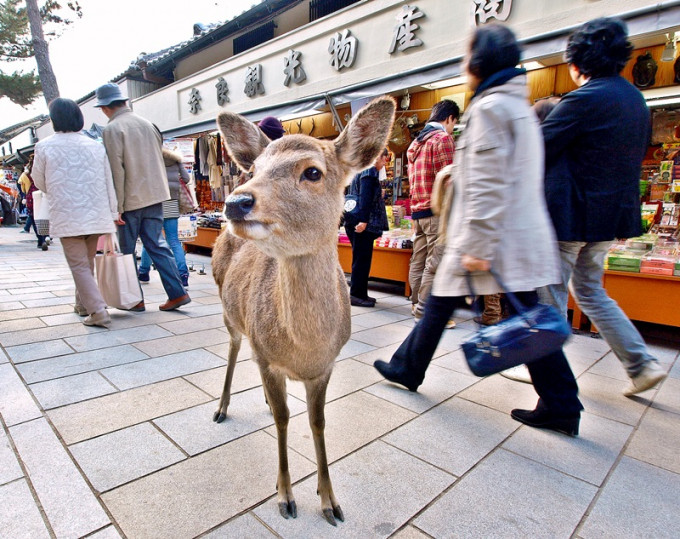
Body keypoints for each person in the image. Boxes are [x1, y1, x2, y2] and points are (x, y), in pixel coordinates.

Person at [374, 24, 583, 436]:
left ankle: (562, 403)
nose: (464, 63)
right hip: (514, 234)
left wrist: (478, 242)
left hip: (493, 237)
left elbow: (486, 183)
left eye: (468, 55)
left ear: (481, 62)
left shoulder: (489, 109)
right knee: (484, 308)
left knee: (519, 316)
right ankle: (407, 367)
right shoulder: (516, 104)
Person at [540, 17, 666, 397]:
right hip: (609, 220)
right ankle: (640, 363)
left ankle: (549, 375)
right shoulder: (635, 101)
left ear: (578, 62)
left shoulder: (582, 100)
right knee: (591, 291)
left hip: (570, 217)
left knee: (550, 293)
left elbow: (537, 149)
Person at [94, 82, 190, 312]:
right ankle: (177, 293)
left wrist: (116, 206)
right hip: (156, 196)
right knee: (157, 244)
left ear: (106, 107)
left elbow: (116, 169)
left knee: (126, 251)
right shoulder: (149, 125)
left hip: (130, 199)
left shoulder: (112, 129)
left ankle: (135, 299)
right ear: (123, 102)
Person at [31, 98, 118, 328]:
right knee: (86, 262)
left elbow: (39, 180)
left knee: (79, 265)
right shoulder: (95, 145)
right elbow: (108, 181)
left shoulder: (44, 146)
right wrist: (112, 211)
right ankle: (83, 305)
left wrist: (57, 190)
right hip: (96, 213)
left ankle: (98, 311)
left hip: (68, 213)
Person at [407, 99, 459, 327]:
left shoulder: (414, 145)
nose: (452, 128)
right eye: (453, 123)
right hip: (437, 210)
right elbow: (449, 179)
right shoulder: (442, 139)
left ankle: (415, 302)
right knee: (435, 262)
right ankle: (424, 311)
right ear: (449, 118)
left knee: (418, 260)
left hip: (417, 210)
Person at [138, 148, 191, 288]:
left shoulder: (152, 159)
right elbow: (186, 178)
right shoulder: (176, 160)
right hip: (172, 203)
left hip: (155, 203)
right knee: (173, 240)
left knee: (151, 239)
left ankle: (143, 272)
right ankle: (183, 275)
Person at [344, 148, 391, 307]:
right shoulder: (369, 172)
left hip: (355, 221)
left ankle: (361, 293)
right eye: (385, 158)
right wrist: (363, 221)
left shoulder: (361, 170)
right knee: (361, 259)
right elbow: (365, 197)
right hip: (361, 223)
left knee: (361, 258)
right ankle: (356, 295)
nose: (385, 162)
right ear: (378, 156)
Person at [21, 158, 49, 250]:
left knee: (34, 219)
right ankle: (45, 237)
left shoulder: (26, 175)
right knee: (45, 218)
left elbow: (23, 189)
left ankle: (40, 240)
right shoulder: (45, 171)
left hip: (31, 198)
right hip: (44, 197)